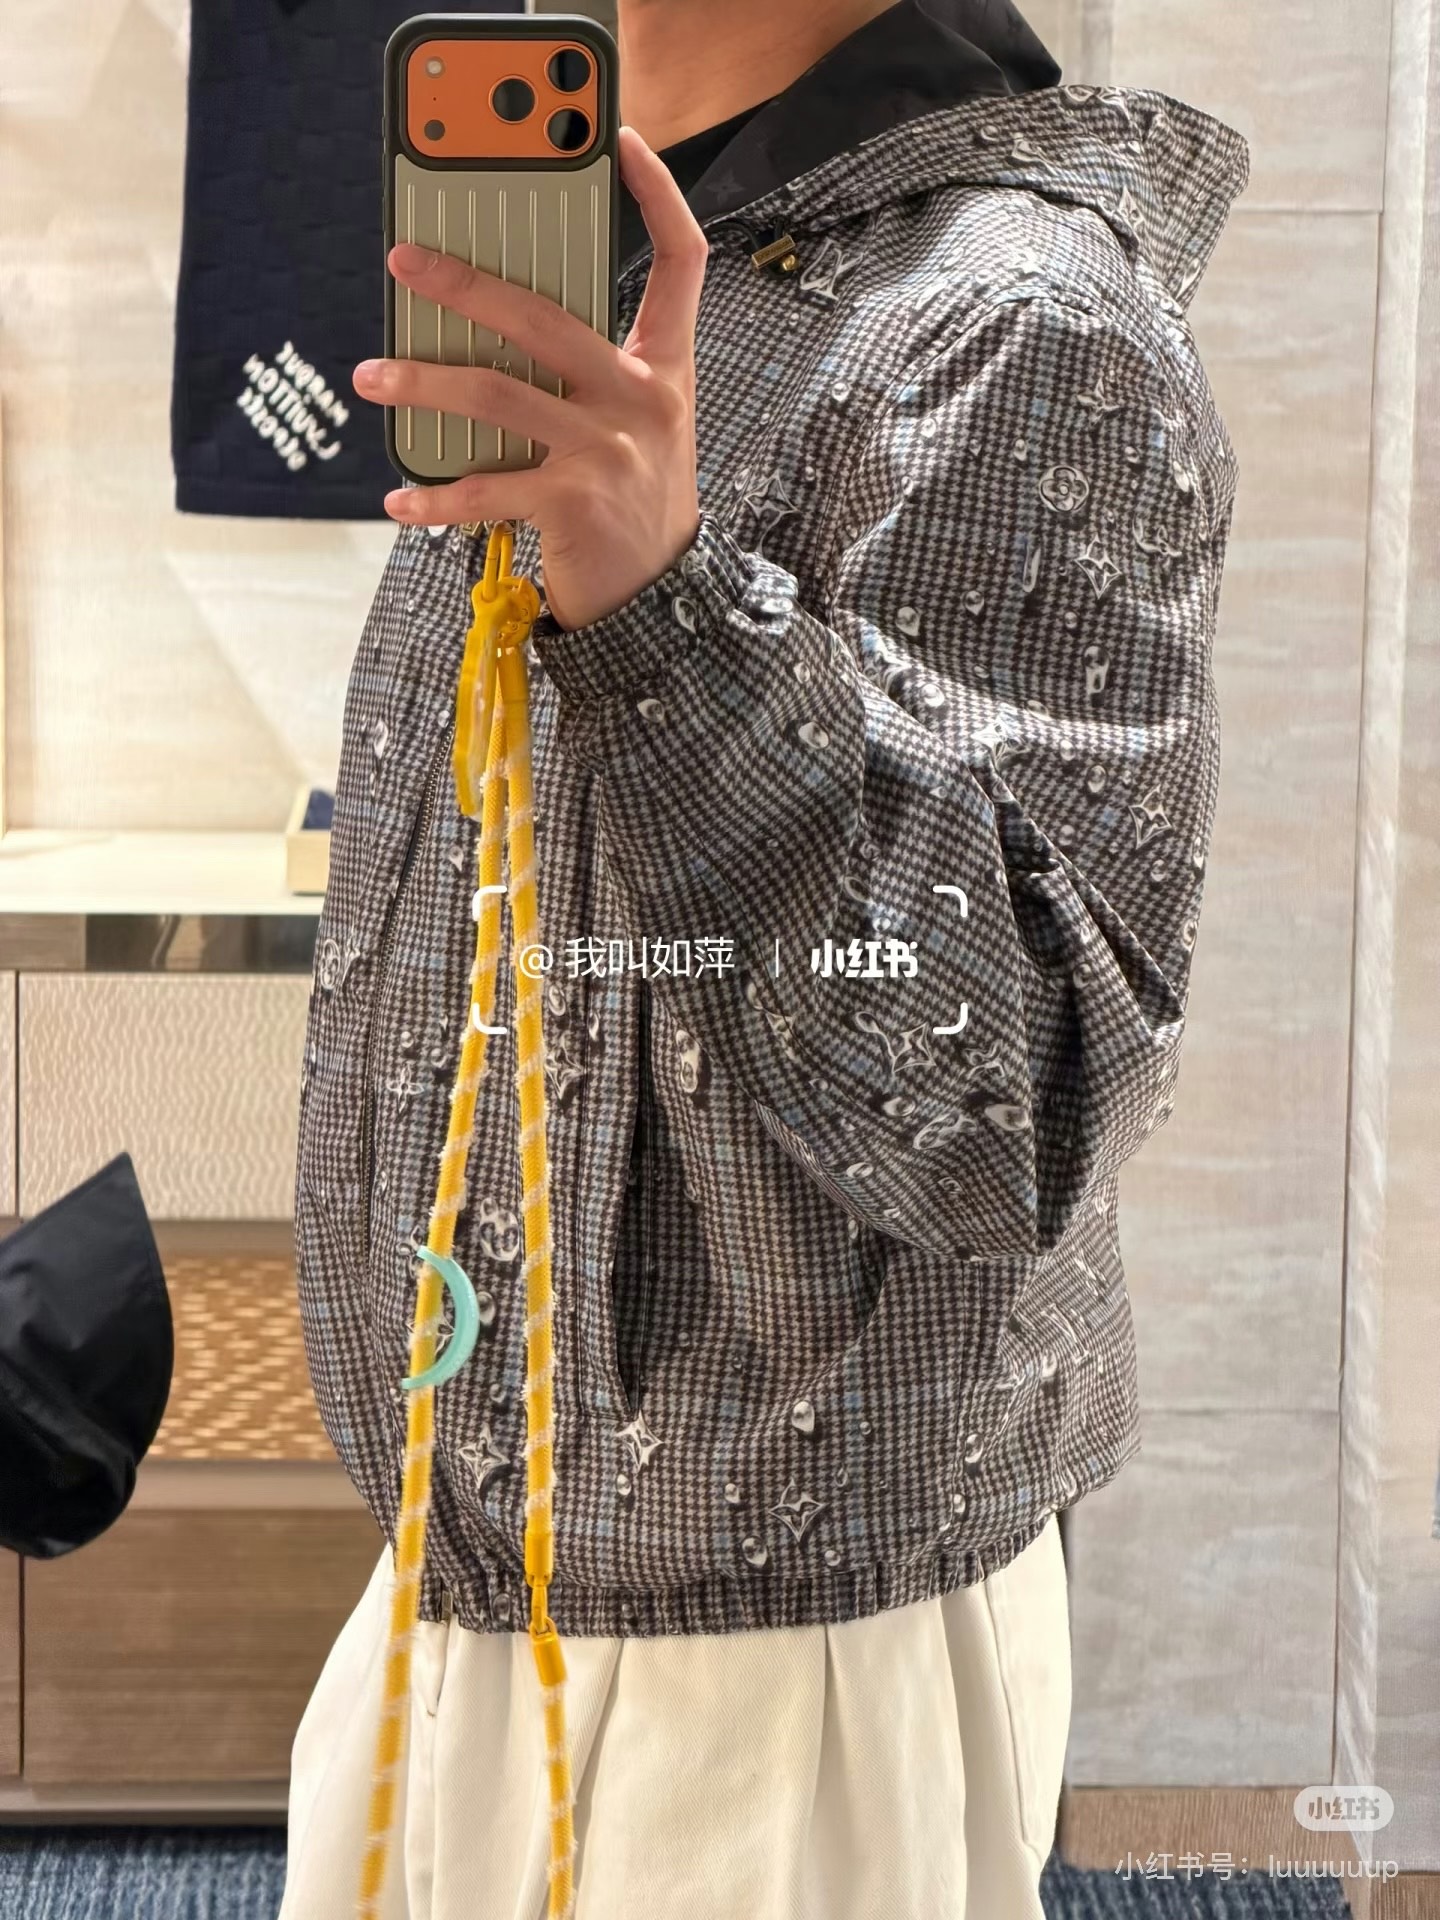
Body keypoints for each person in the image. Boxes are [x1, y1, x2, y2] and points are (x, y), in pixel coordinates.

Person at [281, 1, 1248, 1915]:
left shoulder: (1012, 323)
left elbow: (1003, 1104)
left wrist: (670, 614)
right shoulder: (639, 281)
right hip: (486, 1546)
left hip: (772, 1661)